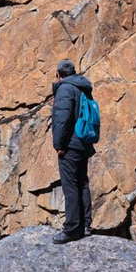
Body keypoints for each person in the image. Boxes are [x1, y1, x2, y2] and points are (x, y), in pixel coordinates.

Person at [50, 59, 95, 244]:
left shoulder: (65, 89)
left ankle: (72, 229)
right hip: (84, 141)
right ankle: (85, 225)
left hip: (70, 144)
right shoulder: (83, 87)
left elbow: (63, 118)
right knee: (82, 182)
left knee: (70, 185)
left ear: (58, 73)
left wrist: (59, 145)